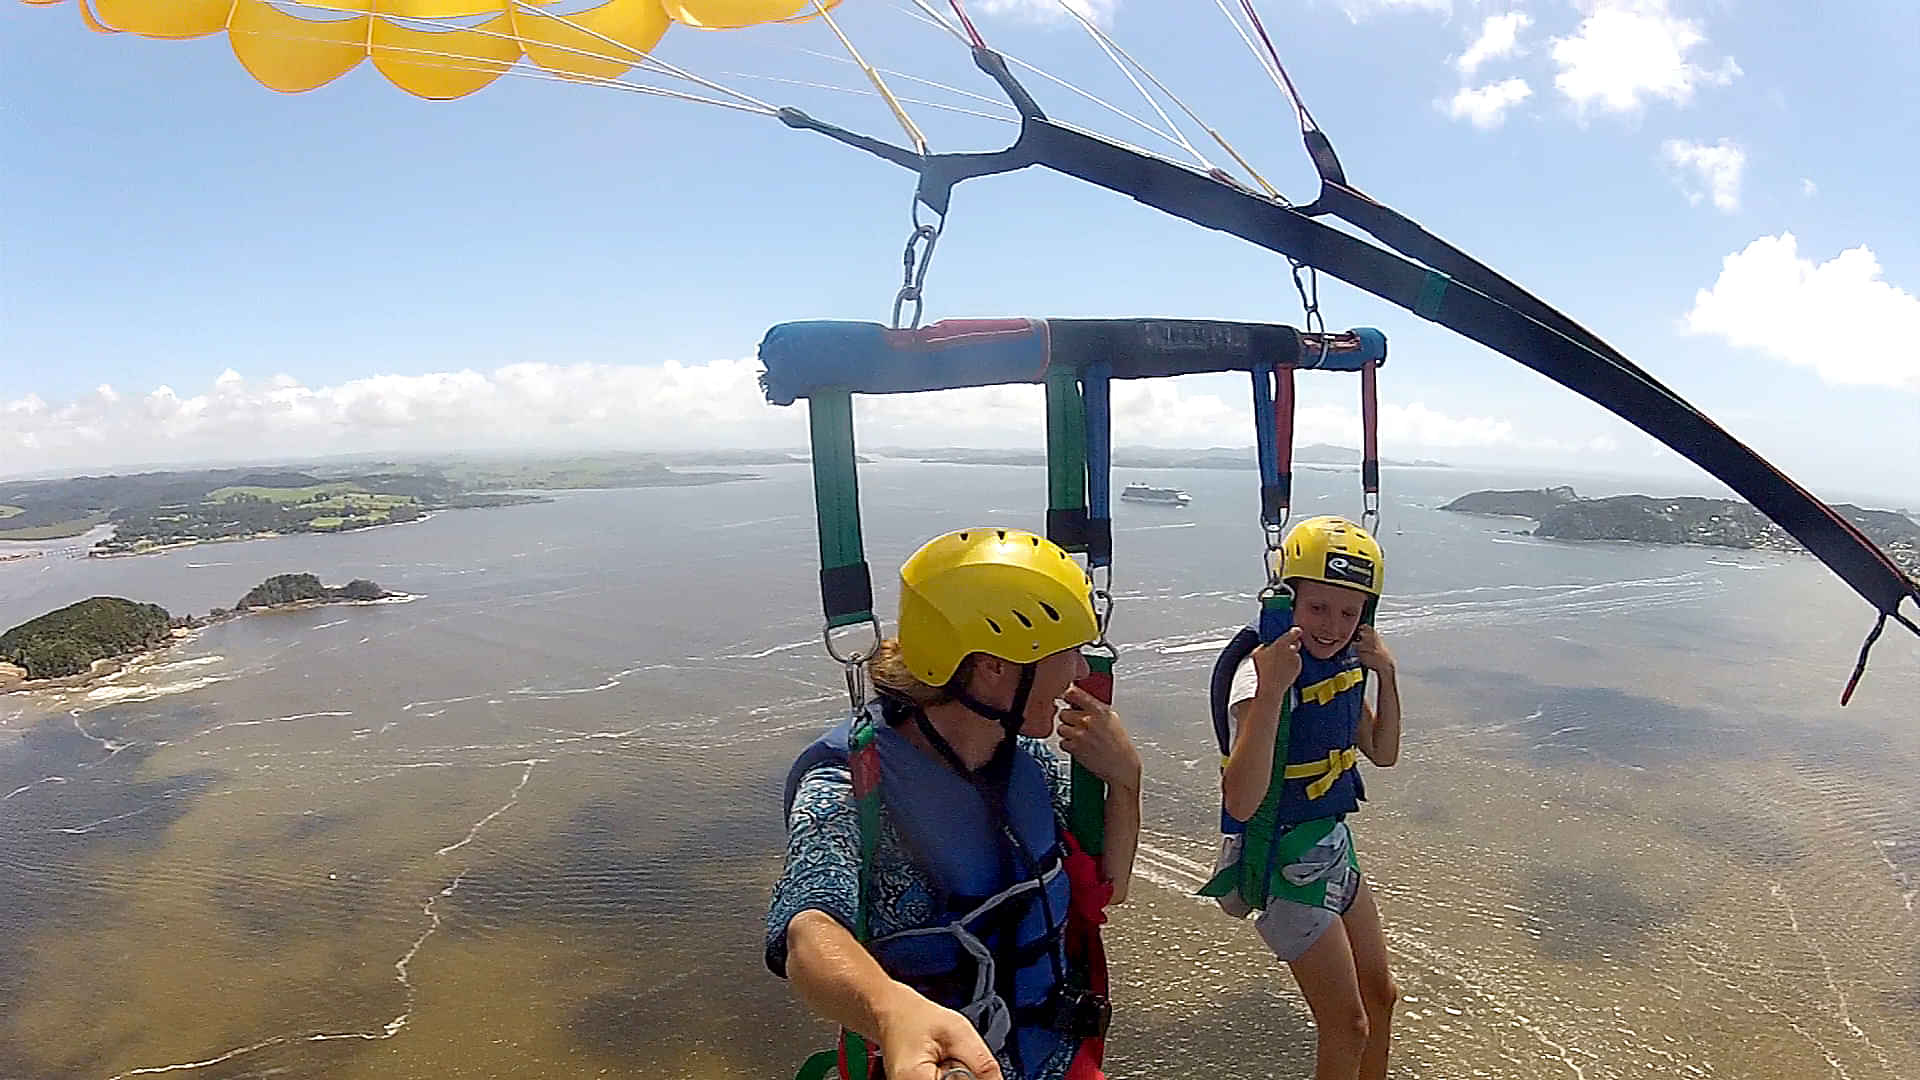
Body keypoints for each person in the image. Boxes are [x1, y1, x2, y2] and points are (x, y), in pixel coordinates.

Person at [767, 527, 1144, 1080]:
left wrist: (1126, 784)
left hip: (1056, 1060)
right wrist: (893, 1011)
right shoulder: (851, 784)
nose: (1082, 673)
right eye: (1069, 654)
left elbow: (1108, 886)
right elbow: (809, 931)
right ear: (995, 667)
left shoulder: (1024, 764)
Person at [1203, 515, 1403, 1080]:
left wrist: (1386, 673)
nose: (1333, 626)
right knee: (1348, 1025)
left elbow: (1382, 752)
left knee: (1380, 996)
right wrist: (1270, 690)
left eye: (1349, 612)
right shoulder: (1258, 675)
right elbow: (1241, 802)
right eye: (1317, 608)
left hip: (1333, 845)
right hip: (1286, 861)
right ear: (1288, 601)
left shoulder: (1345, 663)